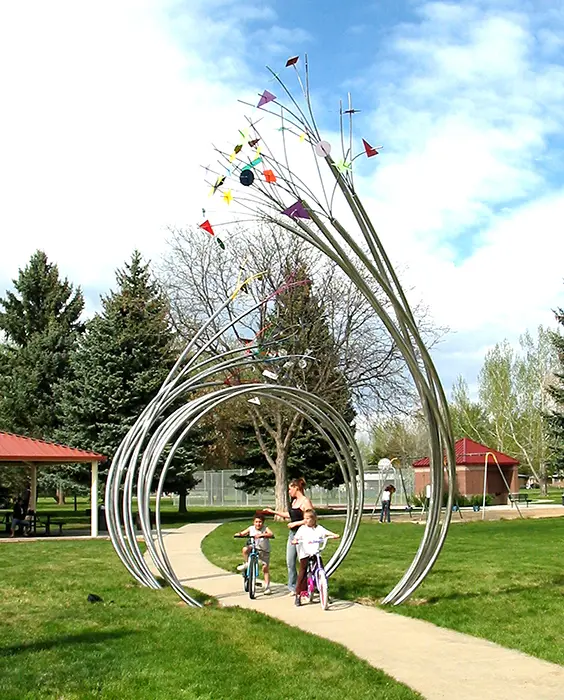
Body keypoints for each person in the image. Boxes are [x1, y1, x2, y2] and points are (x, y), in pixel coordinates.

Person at [263, 477, 313, 594]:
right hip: (293, 535)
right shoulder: (294, 501)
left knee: (303, 562)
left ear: (296, 488)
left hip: (303, 535)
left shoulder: (305, 502)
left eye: (290, 488)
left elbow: (310, 519)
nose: (289, 491)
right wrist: (273, 512)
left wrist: (296, 523)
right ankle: (293, 587)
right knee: (290, 561)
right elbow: (289, 514)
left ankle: (304, 587)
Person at [291, 509, 339, 607]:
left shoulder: (318, 528)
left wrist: (333, 535)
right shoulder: (302, 529)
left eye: (308, 518)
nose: (306, 520)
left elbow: (326, 532)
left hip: (316, 553)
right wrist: (295, 540)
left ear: (314, 519)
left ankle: (325, 592)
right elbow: (297, 537)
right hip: (305, 553)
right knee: (303, 572)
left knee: (321, 570)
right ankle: (298, 594)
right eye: (305, 518)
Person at [234, 513, 274, 595]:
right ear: (253, 522)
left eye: (260, 522)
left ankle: (267, 587)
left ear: (263, 523)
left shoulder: (265, 528)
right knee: (245, 549)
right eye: (256, 522)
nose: (258, 524)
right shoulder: (251, 528)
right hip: (253, 547)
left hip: (264, 550)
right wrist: (239, 534)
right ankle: (247, 564)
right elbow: (243, 533)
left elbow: (271, 534)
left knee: (265, 568)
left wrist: (262, 535)